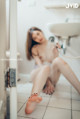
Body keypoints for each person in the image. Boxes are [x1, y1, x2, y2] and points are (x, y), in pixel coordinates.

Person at [25, 27, 80, 114]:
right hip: (40, 75)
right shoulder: (35, 48)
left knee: (58, 60)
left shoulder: (53, 44)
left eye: (38, 34)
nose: (38, 38)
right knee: (45, 67)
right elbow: (40, 66)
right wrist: (48, 82)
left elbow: (57, 59)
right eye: (34, 38)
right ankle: (32, 99)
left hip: (51, 75)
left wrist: (56, 50)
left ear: (41, 32)